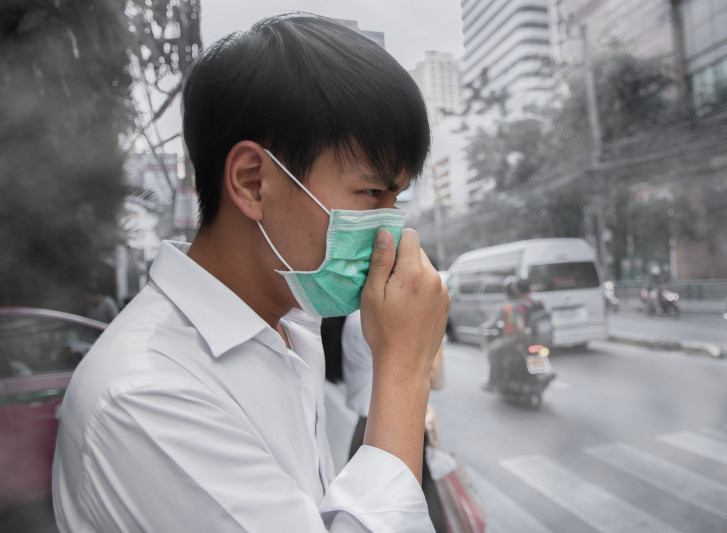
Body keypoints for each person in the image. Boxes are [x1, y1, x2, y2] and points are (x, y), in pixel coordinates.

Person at [52, 14, 450, 533]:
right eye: (372, 194)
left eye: (397, 200)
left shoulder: (288, 329)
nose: (388, 232)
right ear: (253, 182)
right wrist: (403, 371)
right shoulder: (148, 396)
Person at [322, 311, 447, 532]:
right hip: (392, 433)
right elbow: (436, 378)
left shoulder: (356, 316)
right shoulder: (383, 316)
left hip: (368, 429)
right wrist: (434, 321)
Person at [483, 276, 539, 390]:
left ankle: (493, 381)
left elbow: (520, 327)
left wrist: (521, 342)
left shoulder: (512, 306)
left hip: (517, 339)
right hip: (535, 339)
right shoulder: (535, 303)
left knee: (493, 351)